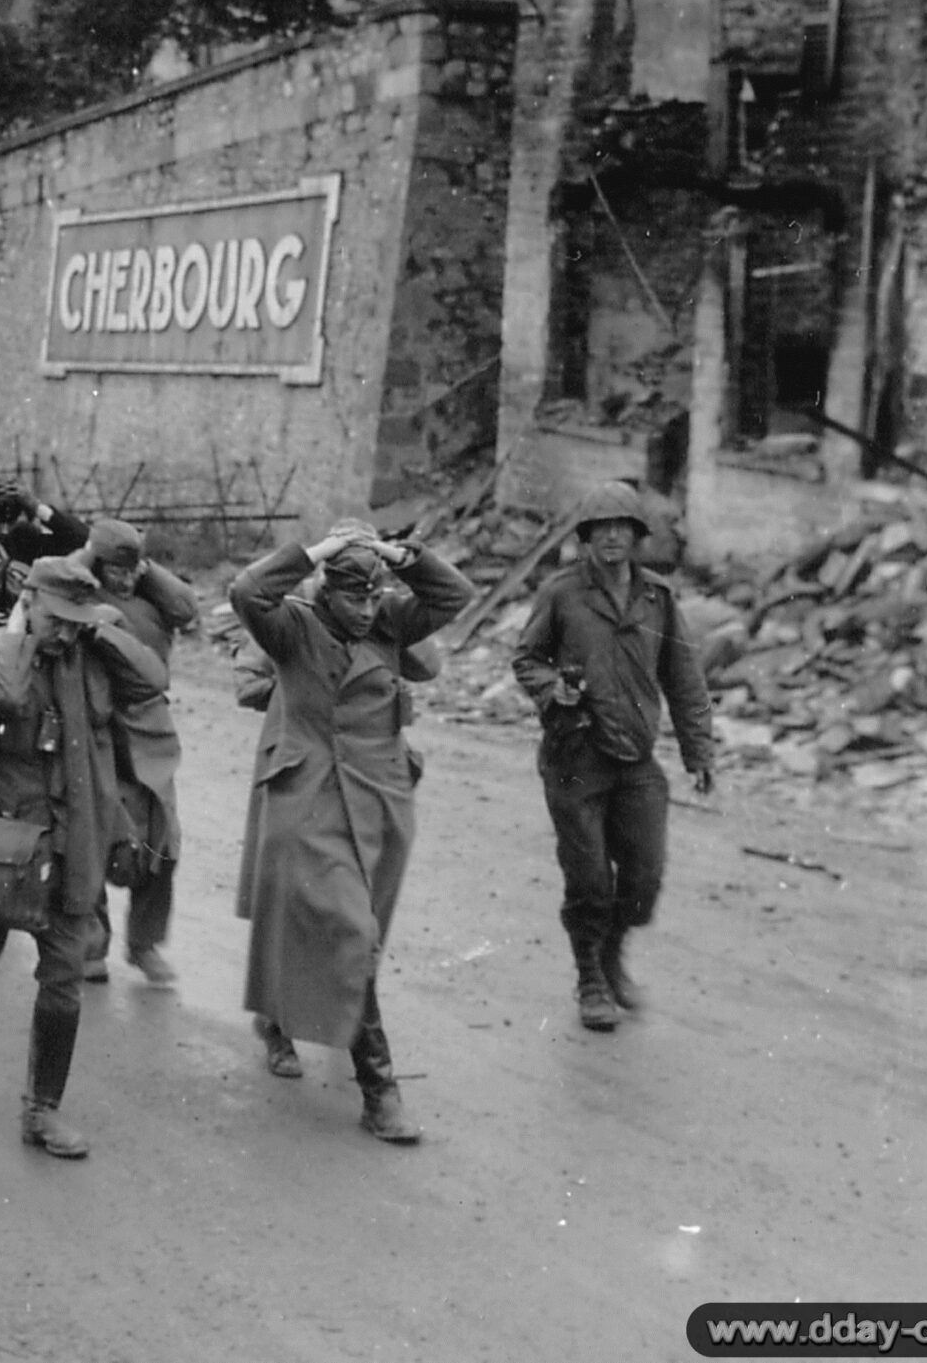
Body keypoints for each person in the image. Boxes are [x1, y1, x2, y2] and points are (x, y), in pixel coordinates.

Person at [0, 556, 168, 1158]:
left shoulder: (88, 656)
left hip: (71, 843)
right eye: (58, 618)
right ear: (28, 602)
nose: (67, 631)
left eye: (76, 619)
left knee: (63, 982)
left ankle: (41, 1111)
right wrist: (19, 634)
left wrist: (97, 627)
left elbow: (151, 679)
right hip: (2, 849)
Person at [230, 520, 472, 1143]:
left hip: (381, 799)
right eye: (351, 597)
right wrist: (319, 551)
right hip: (314, 800)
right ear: (325, 590)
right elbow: (247, 591)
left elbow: (454, 594)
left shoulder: (391, 623)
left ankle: (287, 1015)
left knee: (360, 933)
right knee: (351, 933)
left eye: (372, 597)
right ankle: (379, 1090)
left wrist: (395, 553)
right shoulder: (292, 627)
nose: (364, 611)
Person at [510, 481, 717, 1031]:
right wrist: (554, 689)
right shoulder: (561, 594)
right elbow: (526, 658)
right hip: (575, 758)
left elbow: (685, 679)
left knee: (645, 878)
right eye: (601, 530)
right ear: (586, 537)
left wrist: (699, 751)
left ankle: (612, 952)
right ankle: (590, 980)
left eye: (622, 528)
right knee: (589, 881)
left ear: (637, 536)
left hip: (637, 761)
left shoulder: (658, 599)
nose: (611, 539)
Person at [80, 518, 198, 986]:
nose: (125, 580)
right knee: (94, 835)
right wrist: (90, 556)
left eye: (132, 571)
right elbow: (45, 586)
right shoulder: (82, 595)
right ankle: (92, 945)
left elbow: (186, 607)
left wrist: (146, 568)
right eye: (116, 570)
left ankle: (144, 943)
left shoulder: (155, 601)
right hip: (96, 724)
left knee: (162, 837)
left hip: (150, 726)